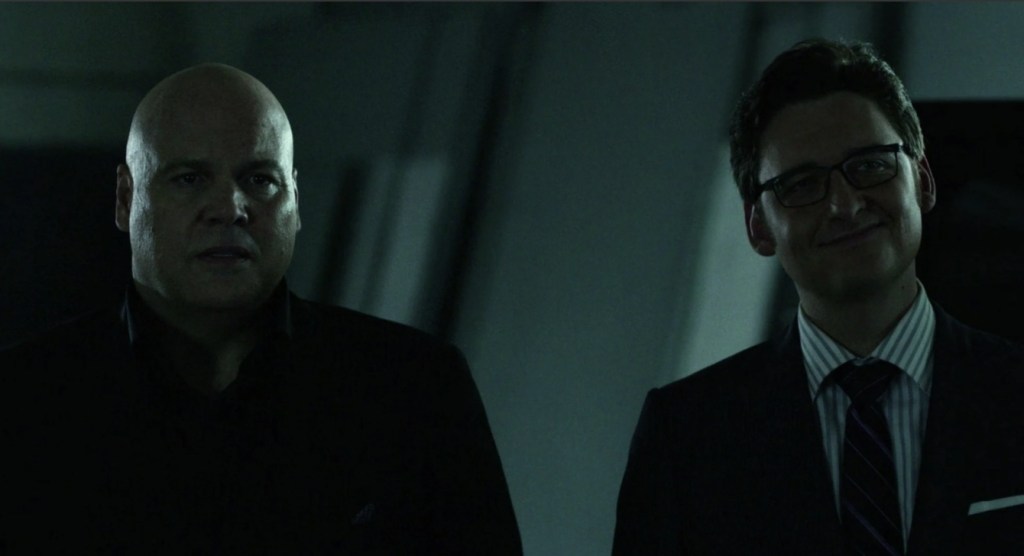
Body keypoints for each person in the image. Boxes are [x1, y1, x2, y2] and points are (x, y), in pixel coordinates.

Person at [0, 63, 522, 554]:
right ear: (124, 199)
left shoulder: (416, 391)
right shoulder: (25, 403)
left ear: (295, 199)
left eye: (259, 180)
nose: (229, 208)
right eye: (189, 178)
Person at [613, 38, 1024, 555]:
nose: (845, 205)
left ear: (922, 181)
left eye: (870, 165)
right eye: (802, 184)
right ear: (758, 226)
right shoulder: (686, 435)